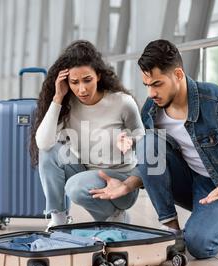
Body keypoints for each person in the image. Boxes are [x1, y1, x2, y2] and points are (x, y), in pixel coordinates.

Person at [96, 39, 218, 259]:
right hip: (183, 181)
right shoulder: (151, 109)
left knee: (200, 245)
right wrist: (127, 184)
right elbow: (151, 158)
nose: (151, 93)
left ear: (179, 75)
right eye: (147, 85)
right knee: (147, 141)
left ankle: (202, 224)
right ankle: (172, 231)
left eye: (157, 84)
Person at [29, 40, 144, 230]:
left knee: (74, 186)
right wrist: (57, 98)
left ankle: (116, 216)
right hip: (85, 171)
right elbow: (43, 143)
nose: (82, 89)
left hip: (122, 180)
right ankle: (58, 218)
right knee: (49, 152)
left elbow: (144, 143)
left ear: (98, 76)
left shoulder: (123, 102)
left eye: (87, 80)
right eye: (74, 82)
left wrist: (131, 141)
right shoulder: (67, 104)